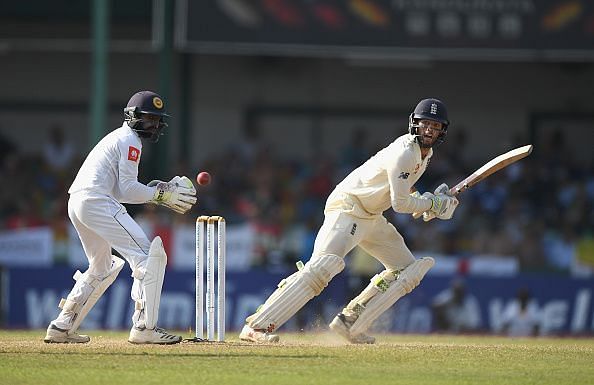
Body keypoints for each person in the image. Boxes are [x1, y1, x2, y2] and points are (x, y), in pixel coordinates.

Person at [239, 98, 459, 344]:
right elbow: (399, 204)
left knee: (405, 269)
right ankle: (256, 326)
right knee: (321, 268)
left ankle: (350, 322)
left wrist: (427, 203)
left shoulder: (425, 154)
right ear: (414, 124)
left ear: (442, 130)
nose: (429, 130)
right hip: (348, 208)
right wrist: (432, 204)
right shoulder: (405, 152)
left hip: (372, 216)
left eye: (435, 126)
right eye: (425, 123)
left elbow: (402, 190)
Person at [44, 91, 197, 344]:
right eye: (149, 119)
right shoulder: (131, 141)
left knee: (102, 266)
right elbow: (127, 190)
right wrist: (161, 194)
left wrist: (155, 189)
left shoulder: (119, 137)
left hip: (79, 202)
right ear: (133, 116)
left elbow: (121, 190)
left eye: (158, 120)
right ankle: (144, 327)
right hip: (97, 202)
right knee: (147, 256)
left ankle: (62, 326)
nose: (154, 125)